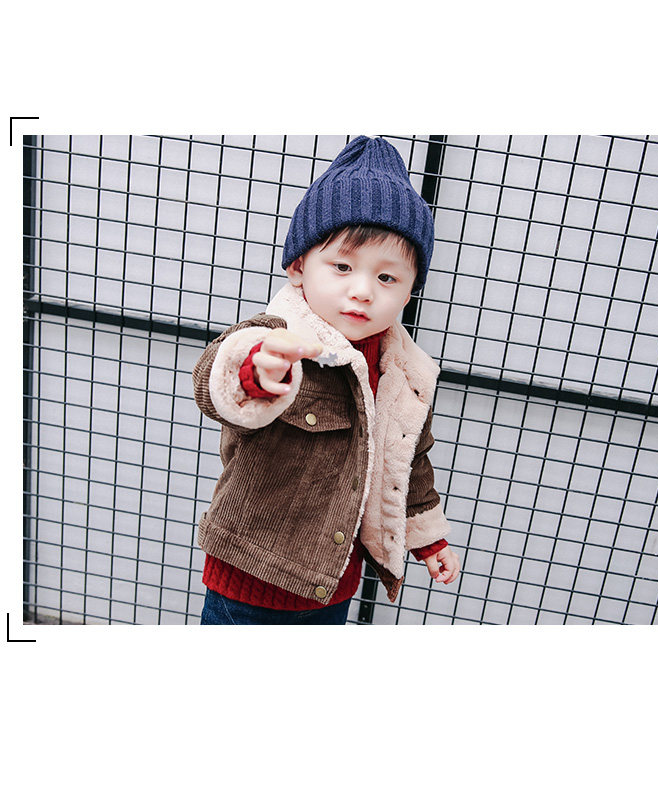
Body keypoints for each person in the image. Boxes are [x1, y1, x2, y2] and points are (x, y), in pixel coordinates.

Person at [193, 135, 460, 625]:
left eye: (387, 278)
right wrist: (259, 372)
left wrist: (427, 539)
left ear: (408, 292)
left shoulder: (404, 373)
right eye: (342, 266)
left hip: (333, 585)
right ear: (299, 266)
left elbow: (409, 460)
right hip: (249, 580)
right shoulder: (276, 337)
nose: (362, 291)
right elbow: (216, 377)